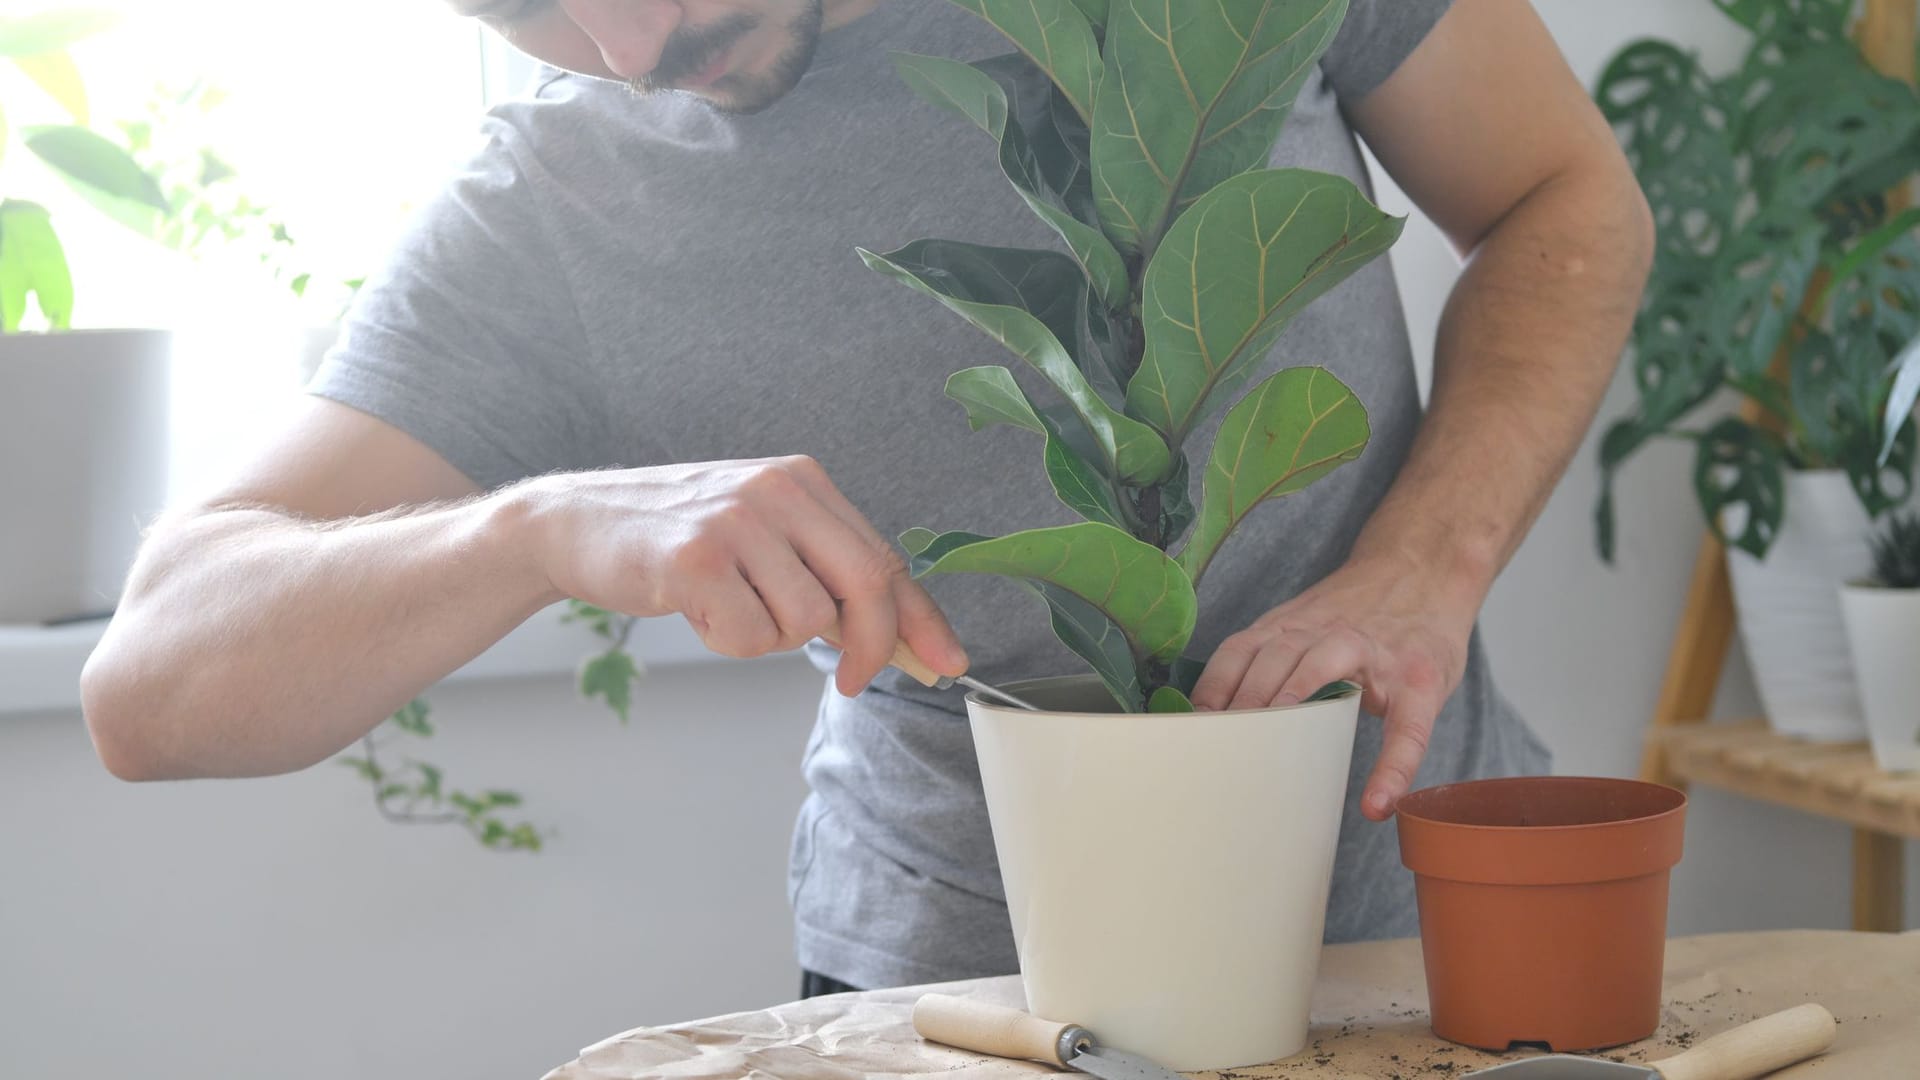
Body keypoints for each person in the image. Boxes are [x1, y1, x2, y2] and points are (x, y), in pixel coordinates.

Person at [81, 0, 1653, 997]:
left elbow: (1560, 198)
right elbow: (152, 689)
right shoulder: (555, 211)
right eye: (524, 9)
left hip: (1438, 920)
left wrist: (1422, 567)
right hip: (954, 1002)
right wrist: (541, 527)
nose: (628, 47)